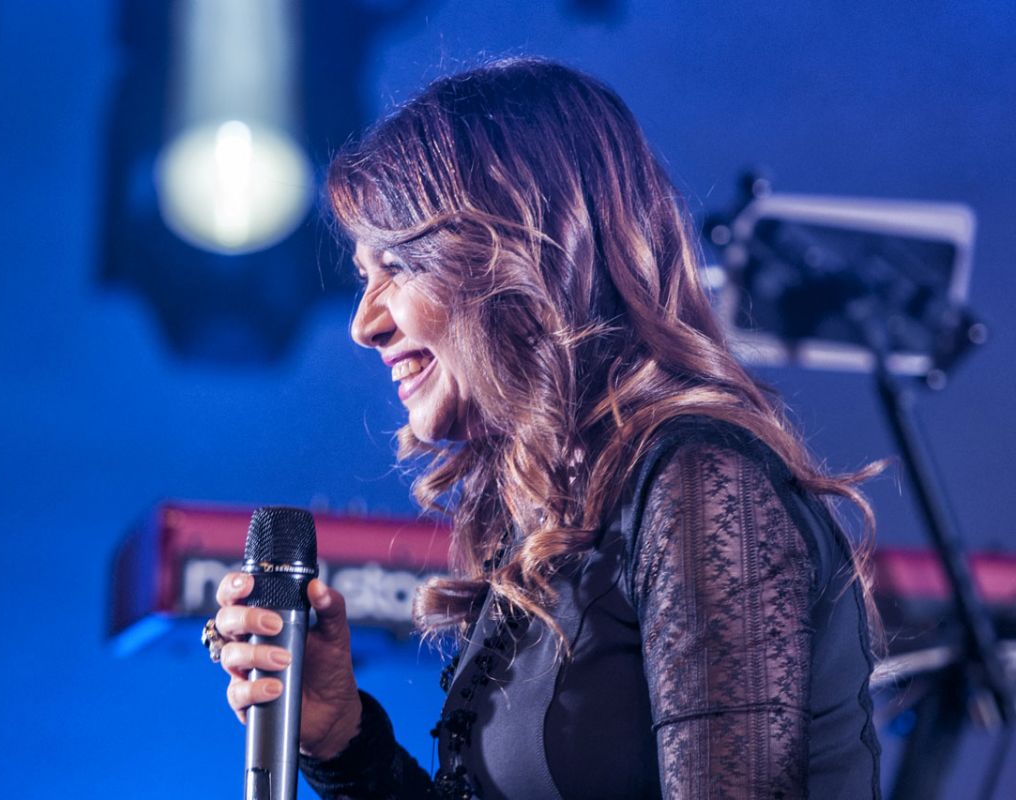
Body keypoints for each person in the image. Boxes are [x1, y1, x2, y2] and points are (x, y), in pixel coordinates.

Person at [205, 57, 882, 799]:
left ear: (517, 253)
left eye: (396, 265)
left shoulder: (699, 483)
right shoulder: (553, 517)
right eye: (364, 276)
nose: (364, 324)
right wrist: (342, 740)